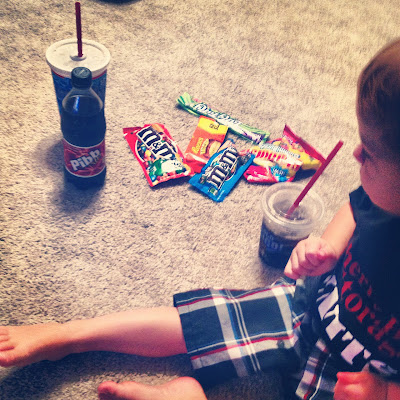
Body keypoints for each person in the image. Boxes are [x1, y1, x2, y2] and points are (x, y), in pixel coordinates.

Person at [1, 39, 400, 400]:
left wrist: (385, 392)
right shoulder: (382, 196)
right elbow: (356, 207)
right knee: (203, 320)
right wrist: (328, 246)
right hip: (315, 306)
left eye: (371, 153)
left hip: (360, 376)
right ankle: (69, 336)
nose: (356, 156)